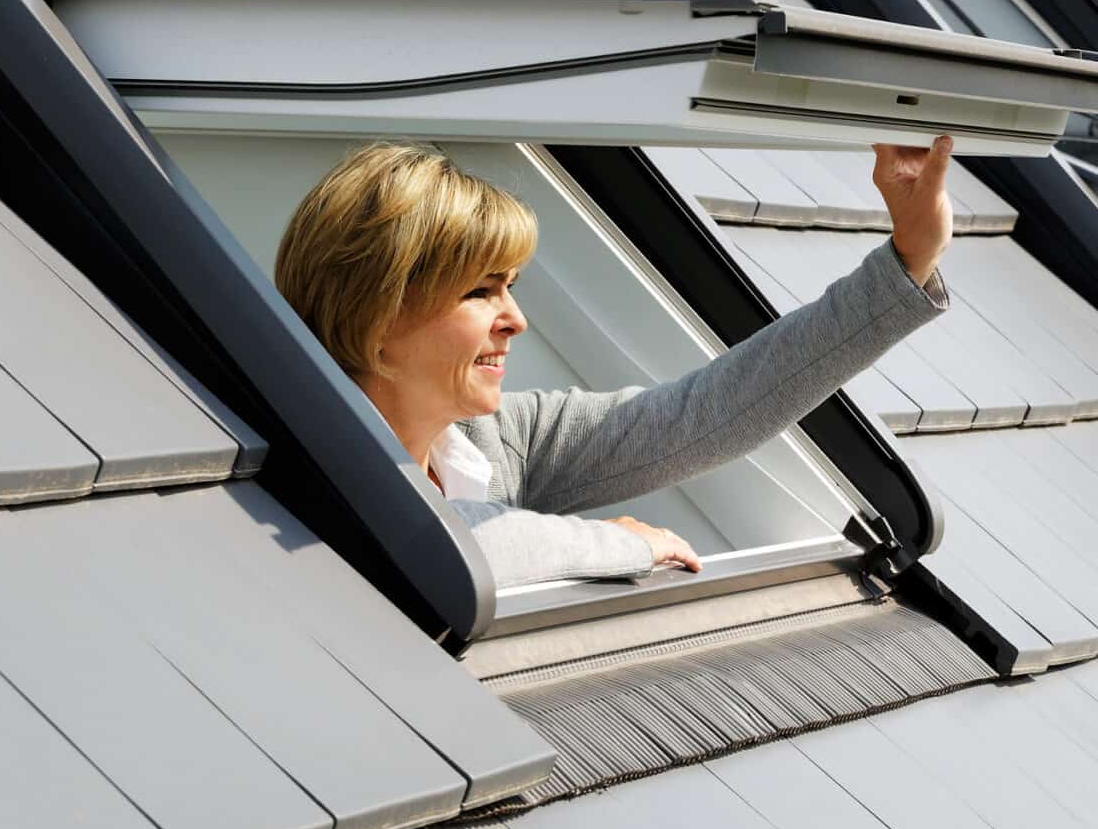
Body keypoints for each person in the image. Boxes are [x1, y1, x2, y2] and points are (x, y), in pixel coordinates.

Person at [275, 138, 954, 586]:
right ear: (378, 317)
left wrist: (908, 258)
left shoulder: (494, 441)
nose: (515, 319)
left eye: (511, 287)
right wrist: (616, 543)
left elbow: (705, 414)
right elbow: (435, 534)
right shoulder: (303, 473)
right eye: (480, 292)